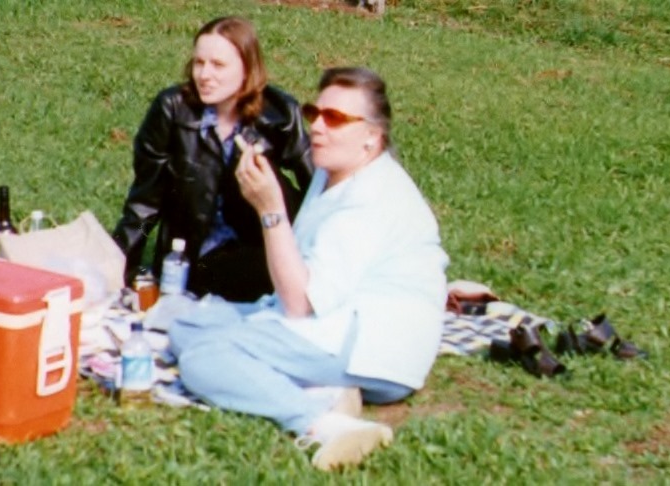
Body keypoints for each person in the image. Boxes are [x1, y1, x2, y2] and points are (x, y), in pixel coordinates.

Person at [168, 67, 449, 471]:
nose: (318, 126)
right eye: (315, 112)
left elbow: (299, 302)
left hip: (373, 344)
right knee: (188, 324)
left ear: (373, 135)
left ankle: (322, 423)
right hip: (335, 323)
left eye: (336, 119)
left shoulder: (370, 198)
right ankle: (329, 390)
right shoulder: (335, 171)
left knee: (202, 358)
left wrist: (270, 209)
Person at [112, 16, 314, 302]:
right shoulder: (173, 110)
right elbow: (145, 204)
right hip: (193, 259)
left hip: (259, 253)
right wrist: (118, 268)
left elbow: (320, 188)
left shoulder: (279, 114)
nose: (205, 75)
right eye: (199, 63)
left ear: (247, 69)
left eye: (218, 65)